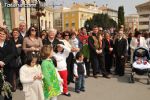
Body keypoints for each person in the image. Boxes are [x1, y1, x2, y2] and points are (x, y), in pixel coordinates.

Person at [0, 27, 17, 100]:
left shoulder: (10, 43)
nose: (1, 35)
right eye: (0, 34)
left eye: (3, 34)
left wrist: (4, 61)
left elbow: (13, 53)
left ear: (6, 35)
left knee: (8, 86)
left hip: (8, 67)